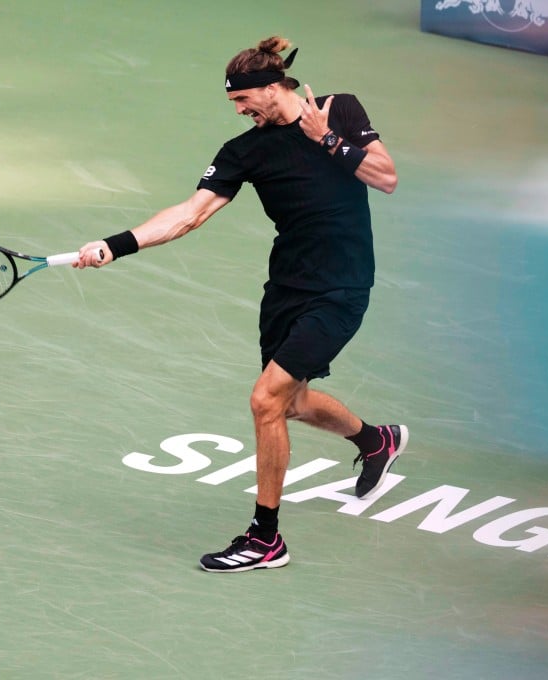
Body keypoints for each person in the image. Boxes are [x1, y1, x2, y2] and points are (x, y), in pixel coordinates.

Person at [74, 36, 408, 573]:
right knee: (291, 404)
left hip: (341, 287)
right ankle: (376, 440)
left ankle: (265, 539)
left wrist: (327, 141)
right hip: (286, 289)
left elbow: (386, 177)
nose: (239, 110)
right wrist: (115, 244)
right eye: (234, 104)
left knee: (265, 401)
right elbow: (189, 213)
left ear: (275, 88)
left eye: (243, 99)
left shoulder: (337, 110)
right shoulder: (243, 151)